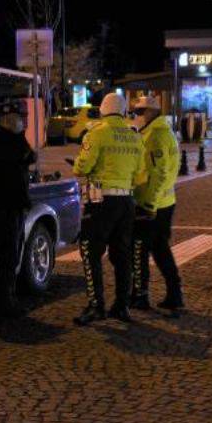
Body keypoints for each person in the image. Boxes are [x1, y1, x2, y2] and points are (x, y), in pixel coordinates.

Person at [72, 93, 145, 325]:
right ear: (123, 112)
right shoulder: (134, 136)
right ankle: (122, 306)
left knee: (89, 251)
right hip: (126, 202)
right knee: (121, 255)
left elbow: (82, 167)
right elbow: (141, 173)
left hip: (101, 201)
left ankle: (96, 306)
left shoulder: (97, 133)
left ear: (103, 110)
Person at [130, 95, 184, 311]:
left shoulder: (155, 136)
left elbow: (160, 173)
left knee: (140, 249)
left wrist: (149, 205)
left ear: (152, 112)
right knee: (160, 250)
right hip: (165, 201)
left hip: (152, 204)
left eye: (140, 112)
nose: (137, 116)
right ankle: (175, 294)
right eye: (136, 112)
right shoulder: (164, 131)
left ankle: (140, 296)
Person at [0, 101, 36, 317]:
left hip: (5, 203)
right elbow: (29, 157)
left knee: (9, 254)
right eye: (18, 118)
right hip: (8, 205)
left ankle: (7, 298)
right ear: (9, 120)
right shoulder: (9, 141)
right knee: (10, 255)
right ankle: (6, 302)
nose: (21, 122)